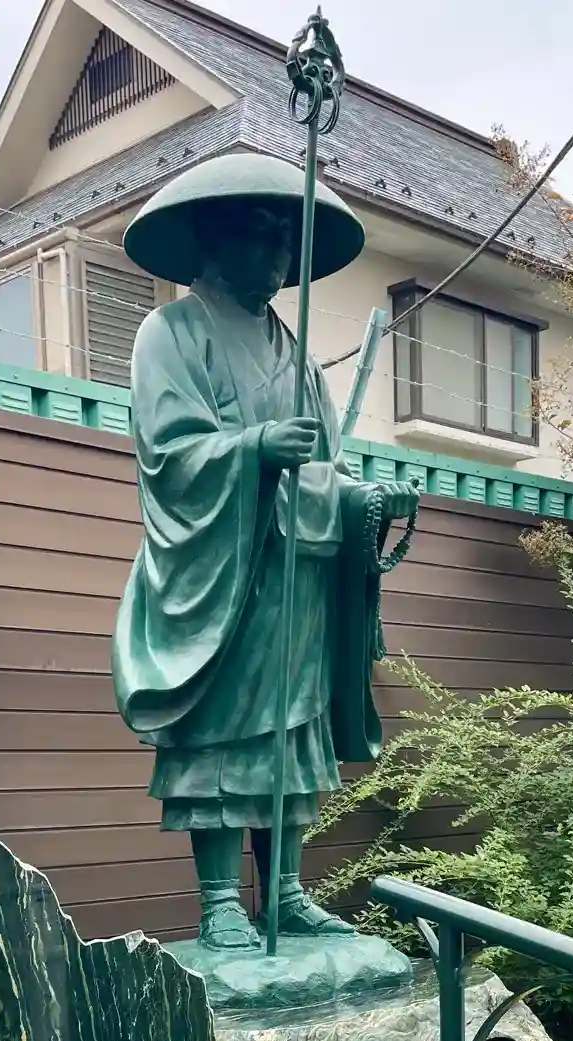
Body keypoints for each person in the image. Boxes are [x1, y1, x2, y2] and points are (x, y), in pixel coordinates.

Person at [112, 154, 419, 953]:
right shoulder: (171, 332)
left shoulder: (299, 353)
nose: (281, 252)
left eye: (288, 239)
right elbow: (168, 452)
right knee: (225, 735)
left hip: (294, 575)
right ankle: (220, 898)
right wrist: (251, 448)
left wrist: (367, 498)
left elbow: (325, 468)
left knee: (291, 734)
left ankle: (285, 889)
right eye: (264, 233)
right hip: (225, 574)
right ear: (216, 239)